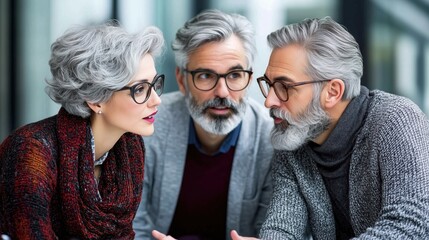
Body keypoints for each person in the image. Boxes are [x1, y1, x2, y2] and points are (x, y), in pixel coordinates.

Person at [231, 16, 429, 239]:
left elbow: (411, 223)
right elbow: (282, 227)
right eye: (269, 84)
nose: (269, 101)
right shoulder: (293, 137)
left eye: (284, 86)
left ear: (333, 92)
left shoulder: (395, 120)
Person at [0, 22, 165, 239]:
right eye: (140, 89)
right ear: (96, 100)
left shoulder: (129, 148)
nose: (156, 100)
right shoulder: (30, 151)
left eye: (154, 85)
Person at [133, 9, 274, 240]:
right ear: (181, 79)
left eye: (235, 75)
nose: (222, 92)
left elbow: (270, 233)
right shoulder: (147, 127)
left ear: (248, 78)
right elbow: (131, 226)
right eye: (206, 76)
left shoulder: (270, 141)